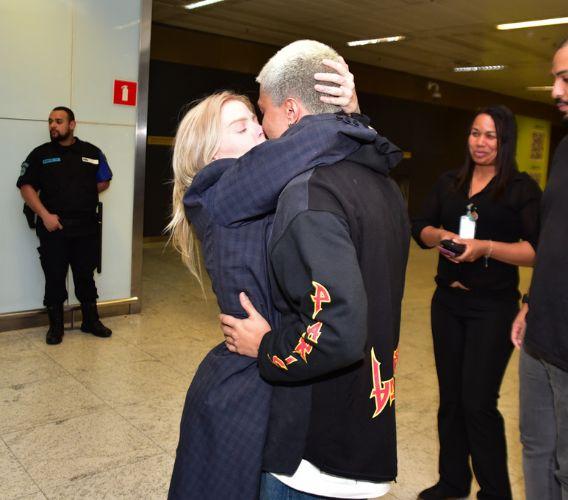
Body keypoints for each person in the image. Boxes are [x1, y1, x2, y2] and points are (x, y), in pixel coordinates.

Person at [167, 59, 401, 499]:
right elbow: (311, 139)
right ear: (208, 153)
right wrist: (345, 114)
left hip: (272, 369)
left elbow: (341, 155)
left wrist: (348, 112)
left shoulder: (268, 187)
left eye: (255, 120)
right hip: (243, 389)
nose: (258, 131)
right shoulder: (216, 190)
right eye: (240, 128)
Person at [410, 105, 541, 499]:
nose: (480, 143)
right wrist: (442, 237)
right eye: (474, 133)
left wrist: (483, 247)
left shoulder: (521, 189)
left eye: (490, 137)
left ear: (505, 142)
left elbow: (535, 250)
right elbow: (420, 227)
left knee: (478, 402)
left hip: (492, 308)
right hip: (446, 304)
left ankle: (495, 491)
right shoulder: (450, 182)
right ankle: (452, 482)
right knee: (451, 398)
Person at [511, 37, 568, 500]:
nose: (554, 89)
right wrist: (529, 302)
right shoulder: (565, 150)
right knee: (534, 449)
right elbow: (553, 241)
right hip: (540, 339)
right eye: (554, 77)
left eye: (565, 78)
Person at [17, 106, 113, 345]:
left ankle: (90, 320)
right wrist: (45, 215)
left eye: (59, 121)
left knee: (85, 276)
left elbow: (104, 180)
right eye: (50, 121)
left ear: (72, 124)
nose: (53, 126)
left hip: (85, 227)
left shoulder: (92, 152)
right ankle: (56, 327)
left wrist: (81, 193)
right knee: (55, 276)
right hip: (54, 228)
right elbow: (26, 187)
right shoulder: (40, 155)